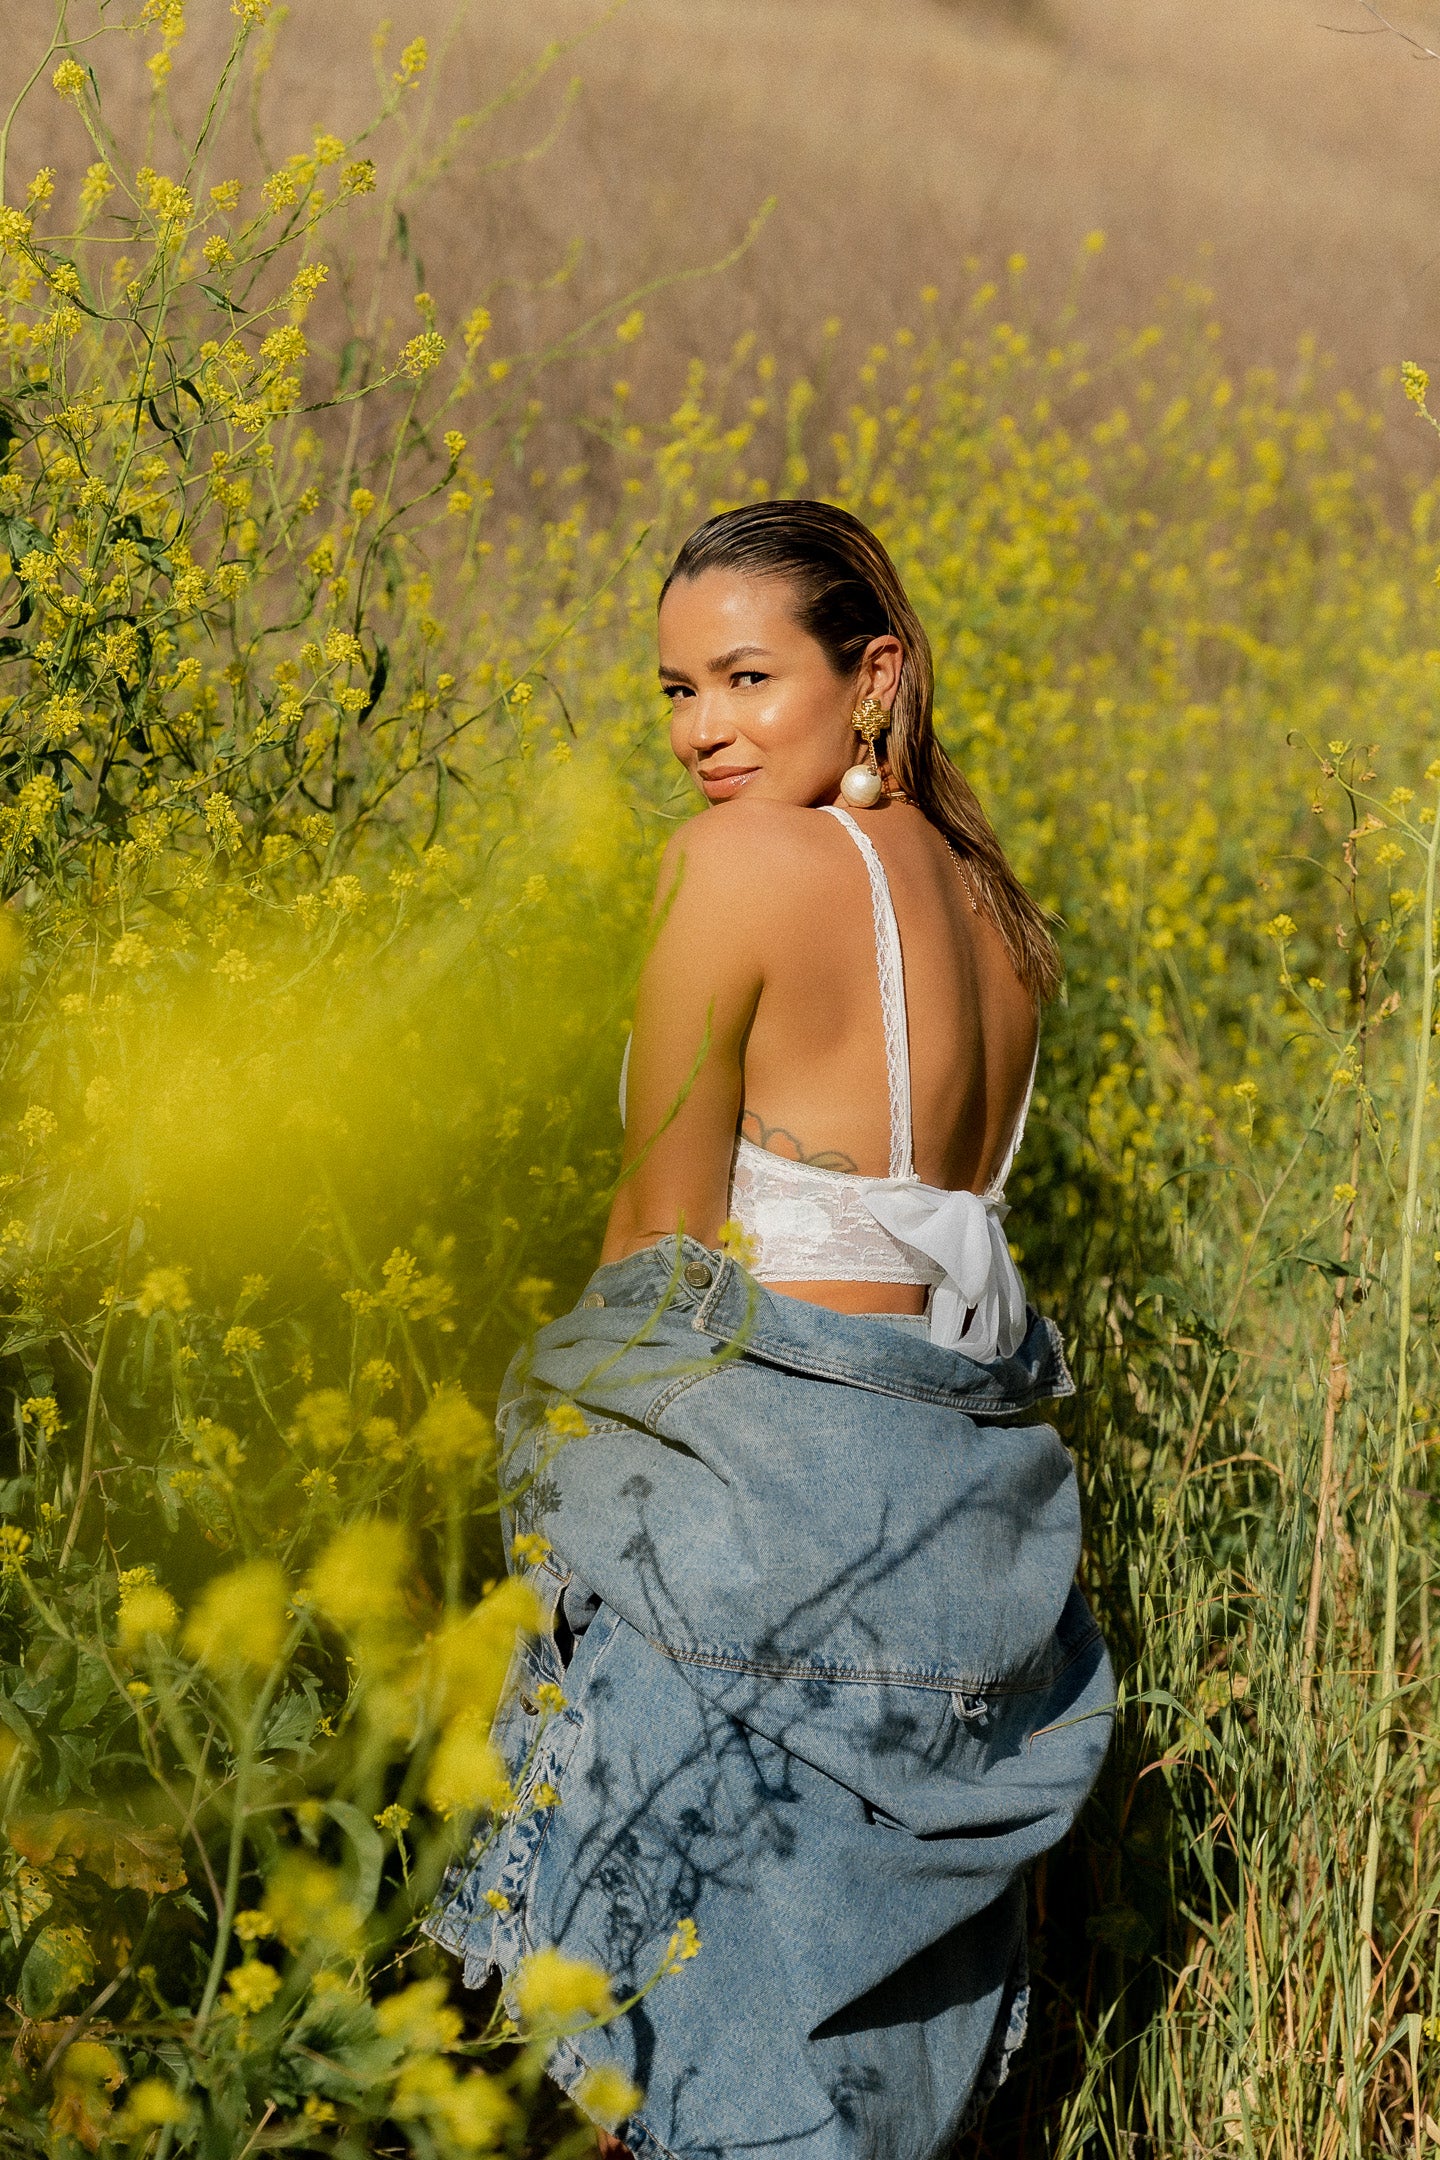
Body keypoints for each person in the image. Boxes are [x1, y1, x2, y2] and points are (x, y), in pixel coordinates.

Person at [425, 501, 1113, 2160]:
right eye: (673, 691)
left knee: (651, 2058)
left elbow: (661, 1241)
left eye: (746, 677)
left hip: (756, 1507)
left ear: (873, 674)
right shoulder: (1003, 920)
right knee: (862, 2072)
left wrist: (544, 1493)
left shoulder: (729, 867)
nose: (702, 733)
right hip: (962, 1523)